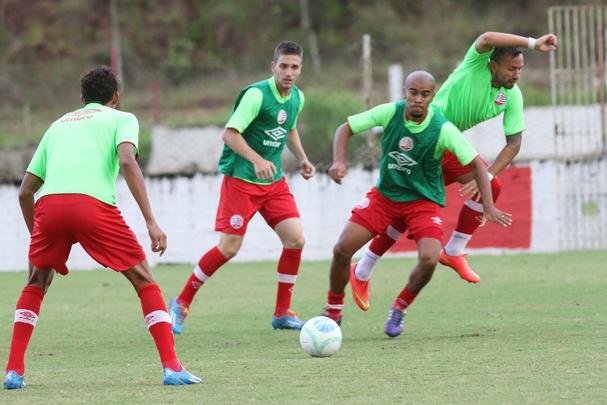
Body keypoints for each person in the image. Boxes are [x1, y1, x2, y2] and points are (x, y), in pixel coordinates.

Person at [3, 66, 202, 389]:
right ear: (116, 97)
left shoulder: (57, 125)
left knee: (35, 283)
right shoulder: (122, 119)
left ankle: (13, 372)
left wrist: (36, 234)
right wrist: (151, 222)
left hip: (50, 207)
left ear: (82, 99)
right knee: (144, 280)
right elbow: (127, 160)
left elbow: (26, 190)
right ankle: (172, 367)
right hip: (92, 206)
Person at [349, 31, 558, 311]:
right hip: (426, 139)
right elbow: (486, 37)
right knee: (401, 212)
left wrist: (489, 175)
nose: (517, 75)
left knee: (491, 185)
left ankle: (453, 251)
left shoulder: (512, 96)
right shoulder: (475, 64)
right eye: (511, 68)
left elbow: (514, 143)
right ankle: (361, 271)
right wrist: (533, 43)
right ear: (492, 66)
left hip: (449, 146)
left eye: (520, 69)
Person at [322, 70, 512, 337]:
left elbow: (476, 166)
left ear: (432, 97)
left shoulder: (442, 128)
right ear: (405, 92)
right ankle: (333, 310)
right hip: (385, 197)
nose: (418, 100)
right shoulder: (390, 112)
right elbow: (346, 128)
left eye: (425, 95)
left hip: (423, 203)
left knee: (429, 258)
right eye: (413, 93)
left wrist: (489, 205)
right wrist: (339, 160)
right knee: (342, 249)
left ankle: (400, 307)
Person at [168, 41, 315, 333]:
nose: (288, 72)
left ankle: (282, 312)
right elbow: (229, 134)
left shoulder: (297, 97)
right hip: (241, 181)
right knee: (228, 249)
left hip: (273, 184)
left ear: (300, 69)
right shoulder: (256, 95)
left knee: (296, 240)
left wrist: (303, 158)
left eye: (294, 67)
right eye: (283, 66)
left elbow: (290, 128)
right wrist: (257, 159)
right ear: (273, 66)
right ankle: (181, 302)